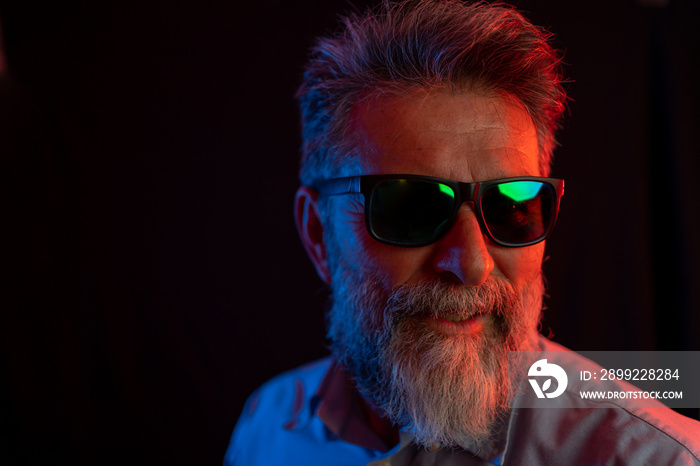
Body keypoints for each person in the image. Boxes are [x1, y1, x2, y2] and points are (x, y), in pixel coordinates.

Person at [225, 1, 700, 464]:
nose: (472, 263)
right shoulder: (268, 427)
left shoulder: (653, 458)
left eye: (511, 206)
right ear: (317, 233)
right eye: (410, 207)